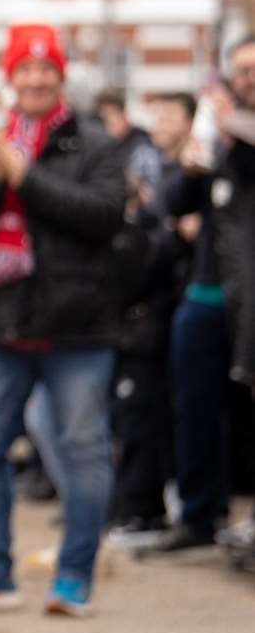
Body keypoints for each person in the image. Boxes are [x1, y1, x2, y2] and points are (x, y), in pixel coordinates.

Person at [0, 24, 126, 617]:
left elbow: (103, 216)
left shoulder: (95, 146)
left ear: (62, 77)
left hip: (78, 328)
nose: (36, 79)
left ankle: (74, 578)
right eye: (25, 69)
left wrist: (28, 178)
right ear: (10, 78)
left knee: (81, 449)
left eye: (47, 70)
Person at [141, 43, 255, 563]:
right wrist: (189, 170)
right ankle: (198, 515)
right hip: (208, 292)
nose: (247, 78)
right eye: (241, 71)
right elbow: (170, 205)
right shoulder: (217, 135)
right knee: (193, 407)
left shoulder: (238, 134)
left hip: (249, 296)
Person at [104, 92, 196, 551]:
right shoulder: (159, 172)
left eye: (169, 115)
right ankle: (136, 505)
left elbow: (166, 249)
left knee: (150, 416)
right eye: (155, 113)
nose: (158, 123)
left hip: (166, 314)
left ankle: (147, 510)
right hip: (149, 316)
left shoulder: (186, 176)